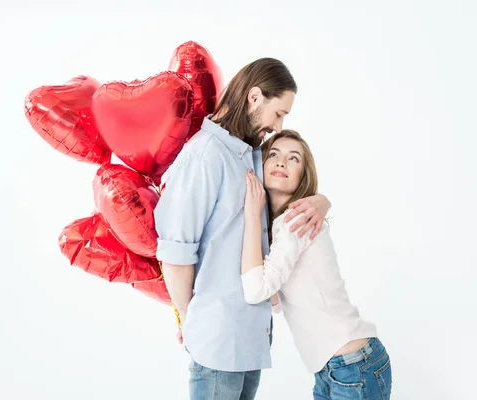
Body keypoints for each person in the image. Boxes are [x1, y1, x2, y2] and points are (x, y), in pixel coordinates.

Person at [154, 58, 332, 400]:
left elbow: (293, 184)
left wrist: (323, 201)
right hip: (218, 343)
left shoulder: (250, 154)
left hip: (249, 343)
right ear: (254, 98)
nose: (277, 126)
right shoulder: (205, 156)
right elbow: (176, 254)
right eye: (278, 113)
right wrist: (192, 323)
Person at [241, 129, 392, 400]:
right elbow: (274, 301)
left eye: (293, 158)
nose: (281, 162)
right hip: (336, 367)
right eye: (273, 154)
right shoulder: (282, 226)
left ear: (303, 175)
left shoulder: (294, 220)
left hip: (351, 365)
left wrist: (252, 215)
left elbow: (256, 291)